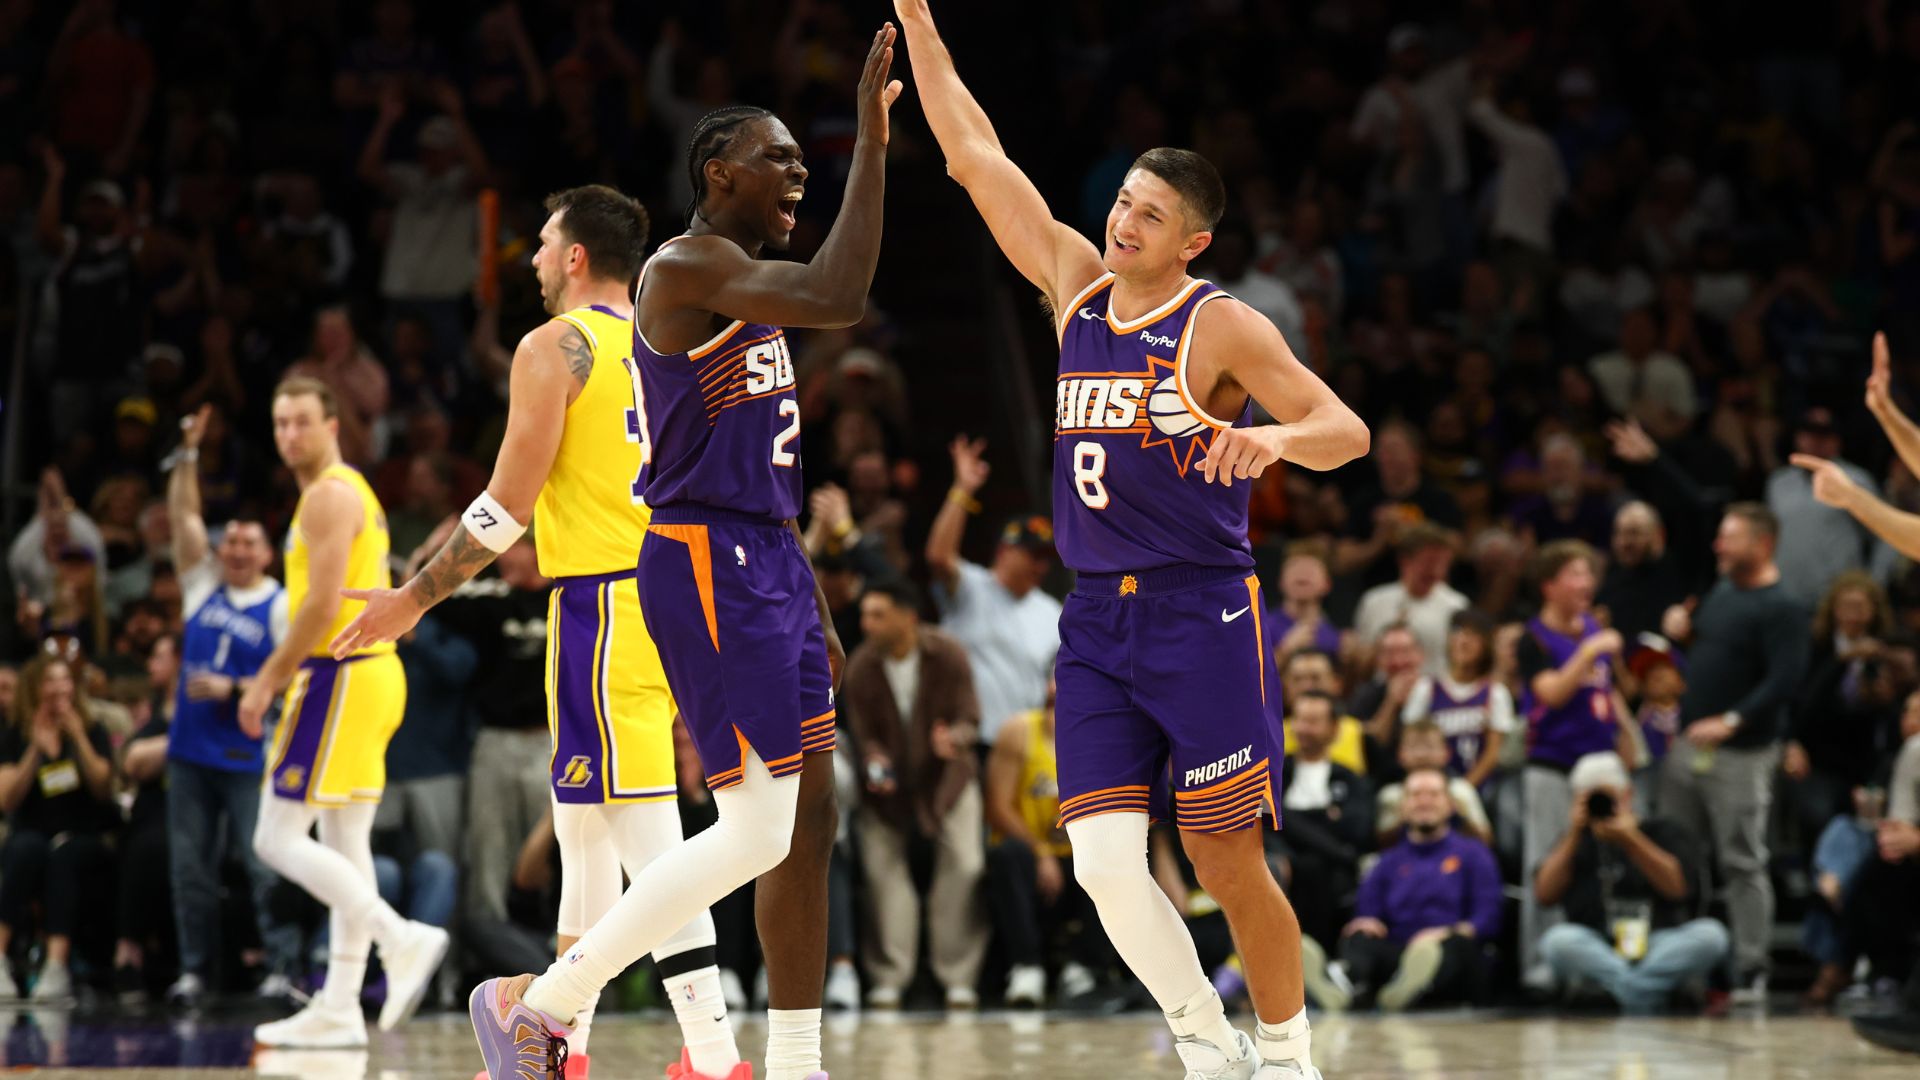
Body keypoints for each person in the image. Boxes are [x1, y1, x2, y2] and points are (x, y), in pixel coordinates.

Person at [900, 3, 1371, 1076]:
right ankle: (1208, 1043)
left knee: (1225, 855)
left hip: (1200, 609)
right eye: (1123, 202)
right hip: (1096, 616)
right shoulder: (1075, 290)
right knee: (1107, 862)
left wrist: (1273, 443)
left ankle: (1290, 1054)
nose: (1124, 223)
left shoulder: (1221, 324)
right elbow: (975, 156)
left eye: (1150, 215)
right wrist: (921, 20)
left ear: (1191, 240)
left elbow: (1348, 431)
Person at [423, 30, 899, 1079]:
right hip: (703, 559)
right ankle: (544, 1003)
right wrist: (870, 139)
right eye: (782, 161)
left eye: (804, 163)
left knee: (806, 816)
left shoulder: (739, 280)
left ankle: (793, 1058)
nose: (799, 175)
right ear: (720, 169)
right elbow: (839, 295)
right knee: (756, 824)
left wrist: (806, 580)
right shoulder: (686, 269)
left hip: (768, 554)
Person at [331, 186, 750, 1080]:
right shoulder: (676, 341)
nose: (529, 259)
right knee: (584, 837)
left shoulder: (554, 347)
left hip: (605, 603)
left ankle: (716, 1057)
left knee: (650, 846)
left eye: (542, 242)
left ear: (573, 257)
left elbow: (502, 510)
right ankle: (563, 1049)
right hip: (678, 596)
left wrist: (414, 595)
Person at [238, 377, 448, 1048]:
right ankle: (337, 1005)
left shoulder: (328, 495)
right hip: (372, 676)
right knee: (345, 843)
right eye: (280, 424)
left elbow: (321, 605)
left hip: (338, 676)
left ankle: (400, 936)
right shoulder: (349, 489)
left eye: (301, 421)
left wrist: (267, 681)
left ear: (333, 425)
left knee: (273, 836)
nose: (289, 435)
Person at [162, 404, 301, 1008]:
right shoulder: (202, 590)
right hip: (189, 756)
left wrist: (235, 690)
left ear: (268, 554)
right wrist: (189, 453)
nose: (237, 549)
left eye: (250, 542)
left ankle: (282, 968)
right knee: (190, 871)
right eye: (232, 541)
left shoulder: (280, 605)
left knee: (263, 863)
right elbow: (183, 518)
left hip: (249, 755)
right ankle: (195, 972)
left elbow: (295, 680)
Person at [1656, 504, 1808, 1003]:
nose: (1719, 546)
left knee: (1742, 860)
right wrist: (1683, 630)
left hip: (1743, 752)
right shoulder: (1721, 591)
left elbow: (1785, 678)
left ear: (1762, 545)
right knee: (1678, 852)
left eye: (1731, 538)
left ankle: (1751, 966)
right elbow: (1717, 652)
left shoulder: (1782, 606)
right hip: (1687, 747)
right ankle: (1683, 965)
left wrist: (1732, 719)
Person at [842, 579, 987, 1009]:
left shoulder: (948, 654)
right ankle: (891, 974)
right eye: (865, 614)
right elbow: (864, 736)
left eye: (877, 614)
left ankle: (958, 975)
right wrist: (875, 764)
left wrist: (954, 739)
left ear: (908, 617)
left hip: (948, 779)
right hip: (889, 790)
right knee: (883, 870)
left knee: (965, 863)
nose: (866, 624)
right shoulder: (862, 666)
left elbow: (970, 717)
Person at [1515, 540, 1632, 990]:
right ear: (1549, 585)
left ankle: (1598, 966)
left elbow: (1611, 692)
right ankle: (1539, 967)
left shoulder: (1593, 632)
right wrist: (1588, 650)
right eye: (1575, 575)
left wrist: (1628, 739)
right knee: (1545, 865)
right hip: (1552, 765)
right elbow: (1550, 693)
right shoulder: (1535, 638)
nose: (1586, 583)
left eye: (1588, 574)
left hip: (1600, 763)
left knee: (1605, 860)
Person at [1535, 752, 1728, 1014]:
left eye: (1606, 796)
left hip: (1659, 942)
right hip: (1600, 945)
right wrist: (1574, 834)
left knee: (1711, 935)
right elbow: (1544, 894)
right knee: (1557, 941)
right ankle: (1644, 992)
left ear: (1627, 794)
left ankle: (1625, 992)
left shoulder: (1664, 830)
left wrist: (1632, 839)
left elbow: (1678, 889)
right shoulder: (1574, 840)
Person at [1310, 768, 1500, 1012]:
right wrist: (1366, 924)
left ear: (1451, 805)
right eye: (1415, 794)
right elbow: (1367, 910)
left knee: (1458, 947)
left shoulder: (1474, 853)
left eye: (1433, 794)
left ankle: (1409, 986)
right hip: (1399, 950)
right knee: (1360, 937)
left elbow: (1488, 916)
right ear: (1402, 807)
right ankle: (1342, 987)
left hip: (1448, 945)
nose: (1424, 801)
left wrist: (1444, 933)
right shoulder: (1386, 861)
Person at [925, 435, 1063, 745]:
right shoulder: (972, 588)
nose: (1040, 566)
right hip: (970, 740)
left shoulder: (1053, 612)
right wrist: (963, 490)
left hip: (1025, 746)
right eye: (1033, 555)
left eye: (1046, 558)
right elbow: (938, 556)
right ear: (1004, 551)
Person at [0, 654, 117, 1002]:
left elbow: (102, 786)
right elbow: (7, 800)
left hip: (82, 836)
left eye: (64, 679)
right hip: (32, 832)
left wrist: (78, 737)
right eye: (49, 680)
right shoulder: (15, 734)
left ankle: (56, 967)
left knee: (63, 855)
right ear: (35, 688)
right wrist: (35, 749)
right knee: (26, 849)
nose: (58, 688)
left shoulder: (92, 728)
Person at [984, 681, 1106, 1007]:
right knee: (1007, 855)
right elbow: (997, 808)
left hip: (1077, 860)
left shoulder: (1101, 736)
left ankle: (1085, 967)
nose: (1056, 711)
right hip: (1031, 861)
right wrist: (1041, 853)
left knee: (1116, 857)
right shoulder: (1018, 732)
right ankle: (1027, 967)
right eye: (1050, 702)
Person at [1400, 609, 1516, 788]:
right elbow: (1410, 742)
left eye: (1472, 635)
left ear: (1486, 644)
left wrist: (1464, 789)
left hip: (1479, 788)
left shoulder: (1496, 693)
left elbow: (1493, 753)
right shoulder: (1427, 688)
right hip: (1431, 786)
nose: (1463, 641)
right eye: (1457, 633)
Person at [1352, 524, 1468, 673]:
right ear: (1405, 561)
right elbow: (1362, 659)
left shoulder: (1457, 606)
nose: (1436, 571)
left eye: (1443, 563)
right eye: (1429, 562)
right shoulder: (1374, 601)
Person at [1373, 722, 1494, 848]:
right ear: (1400, 754)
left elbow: (1486, 841)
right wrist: (1401, 820)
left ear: (1446, 753)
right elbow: (1379, 846)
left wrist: (1459, 816)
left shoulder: (1461, 791)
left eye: (1430, 747)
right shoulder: (1391, 795)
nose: (1422, 755)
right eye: (1414, 747)